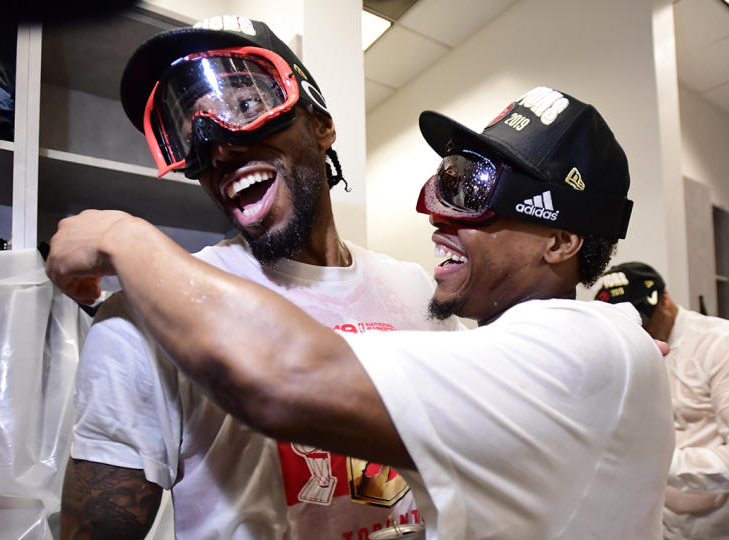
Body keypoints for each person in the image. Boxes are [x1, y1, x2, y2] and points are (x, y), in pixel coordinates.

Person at [47, 85, 676, 539]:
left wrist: (125, 238)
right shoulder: (551, 350)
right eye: (445, 179)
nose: (434, 213)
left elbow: (286, 376)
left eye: (470, 192)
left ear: (561, 241)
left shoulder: (578, 354)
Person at [60, 15, 460, 540]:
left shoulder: (421, 294)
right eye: (191, 136)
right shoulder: (144, 319)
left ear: (320, 124)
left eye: (247, 107)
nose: (218, 149)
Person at [595, 261, 729, 539]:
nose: (639, 330)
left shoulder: (728, 345)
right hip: (669, 526)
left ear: (664, 300)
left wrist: (652, 464)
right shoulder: (625, 351)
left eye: (644, 317)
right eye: (627, 323)